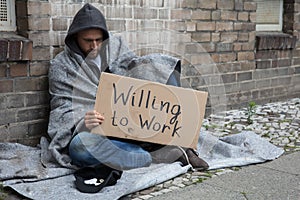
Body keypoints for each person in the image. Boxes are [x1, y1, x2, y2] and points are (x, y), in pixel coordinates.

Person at [48, 3, 208, 171]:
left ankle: (181, 145)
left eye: (99, 40)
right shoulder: (62, 66)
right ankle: (154, 156)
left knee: (161, 66)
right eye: (88, 41)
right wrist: (83, 121)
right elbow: (63, 109)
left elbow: (135, 73)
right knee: (79, 148)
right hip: (101, 133)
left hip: (135, 123)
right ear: (75, 38)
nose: (94, 46)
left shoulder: (116, 47)